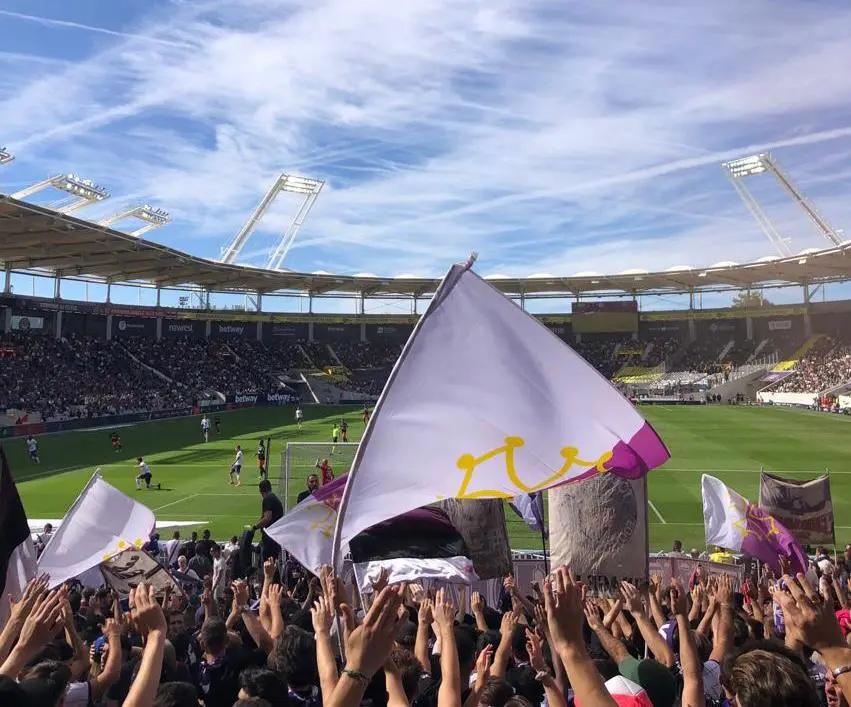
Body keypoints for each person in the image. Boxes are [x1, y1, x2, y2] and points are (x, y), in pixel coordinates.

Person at [253, 479, 284, 562]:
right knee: (273, 563)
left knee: (268, 563)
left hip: (270, 538)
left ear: (261, 490)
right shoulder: (274, 498)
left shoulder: (267, 499)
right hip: (276, 537)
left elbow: (267, 518)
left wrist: (255, 527)